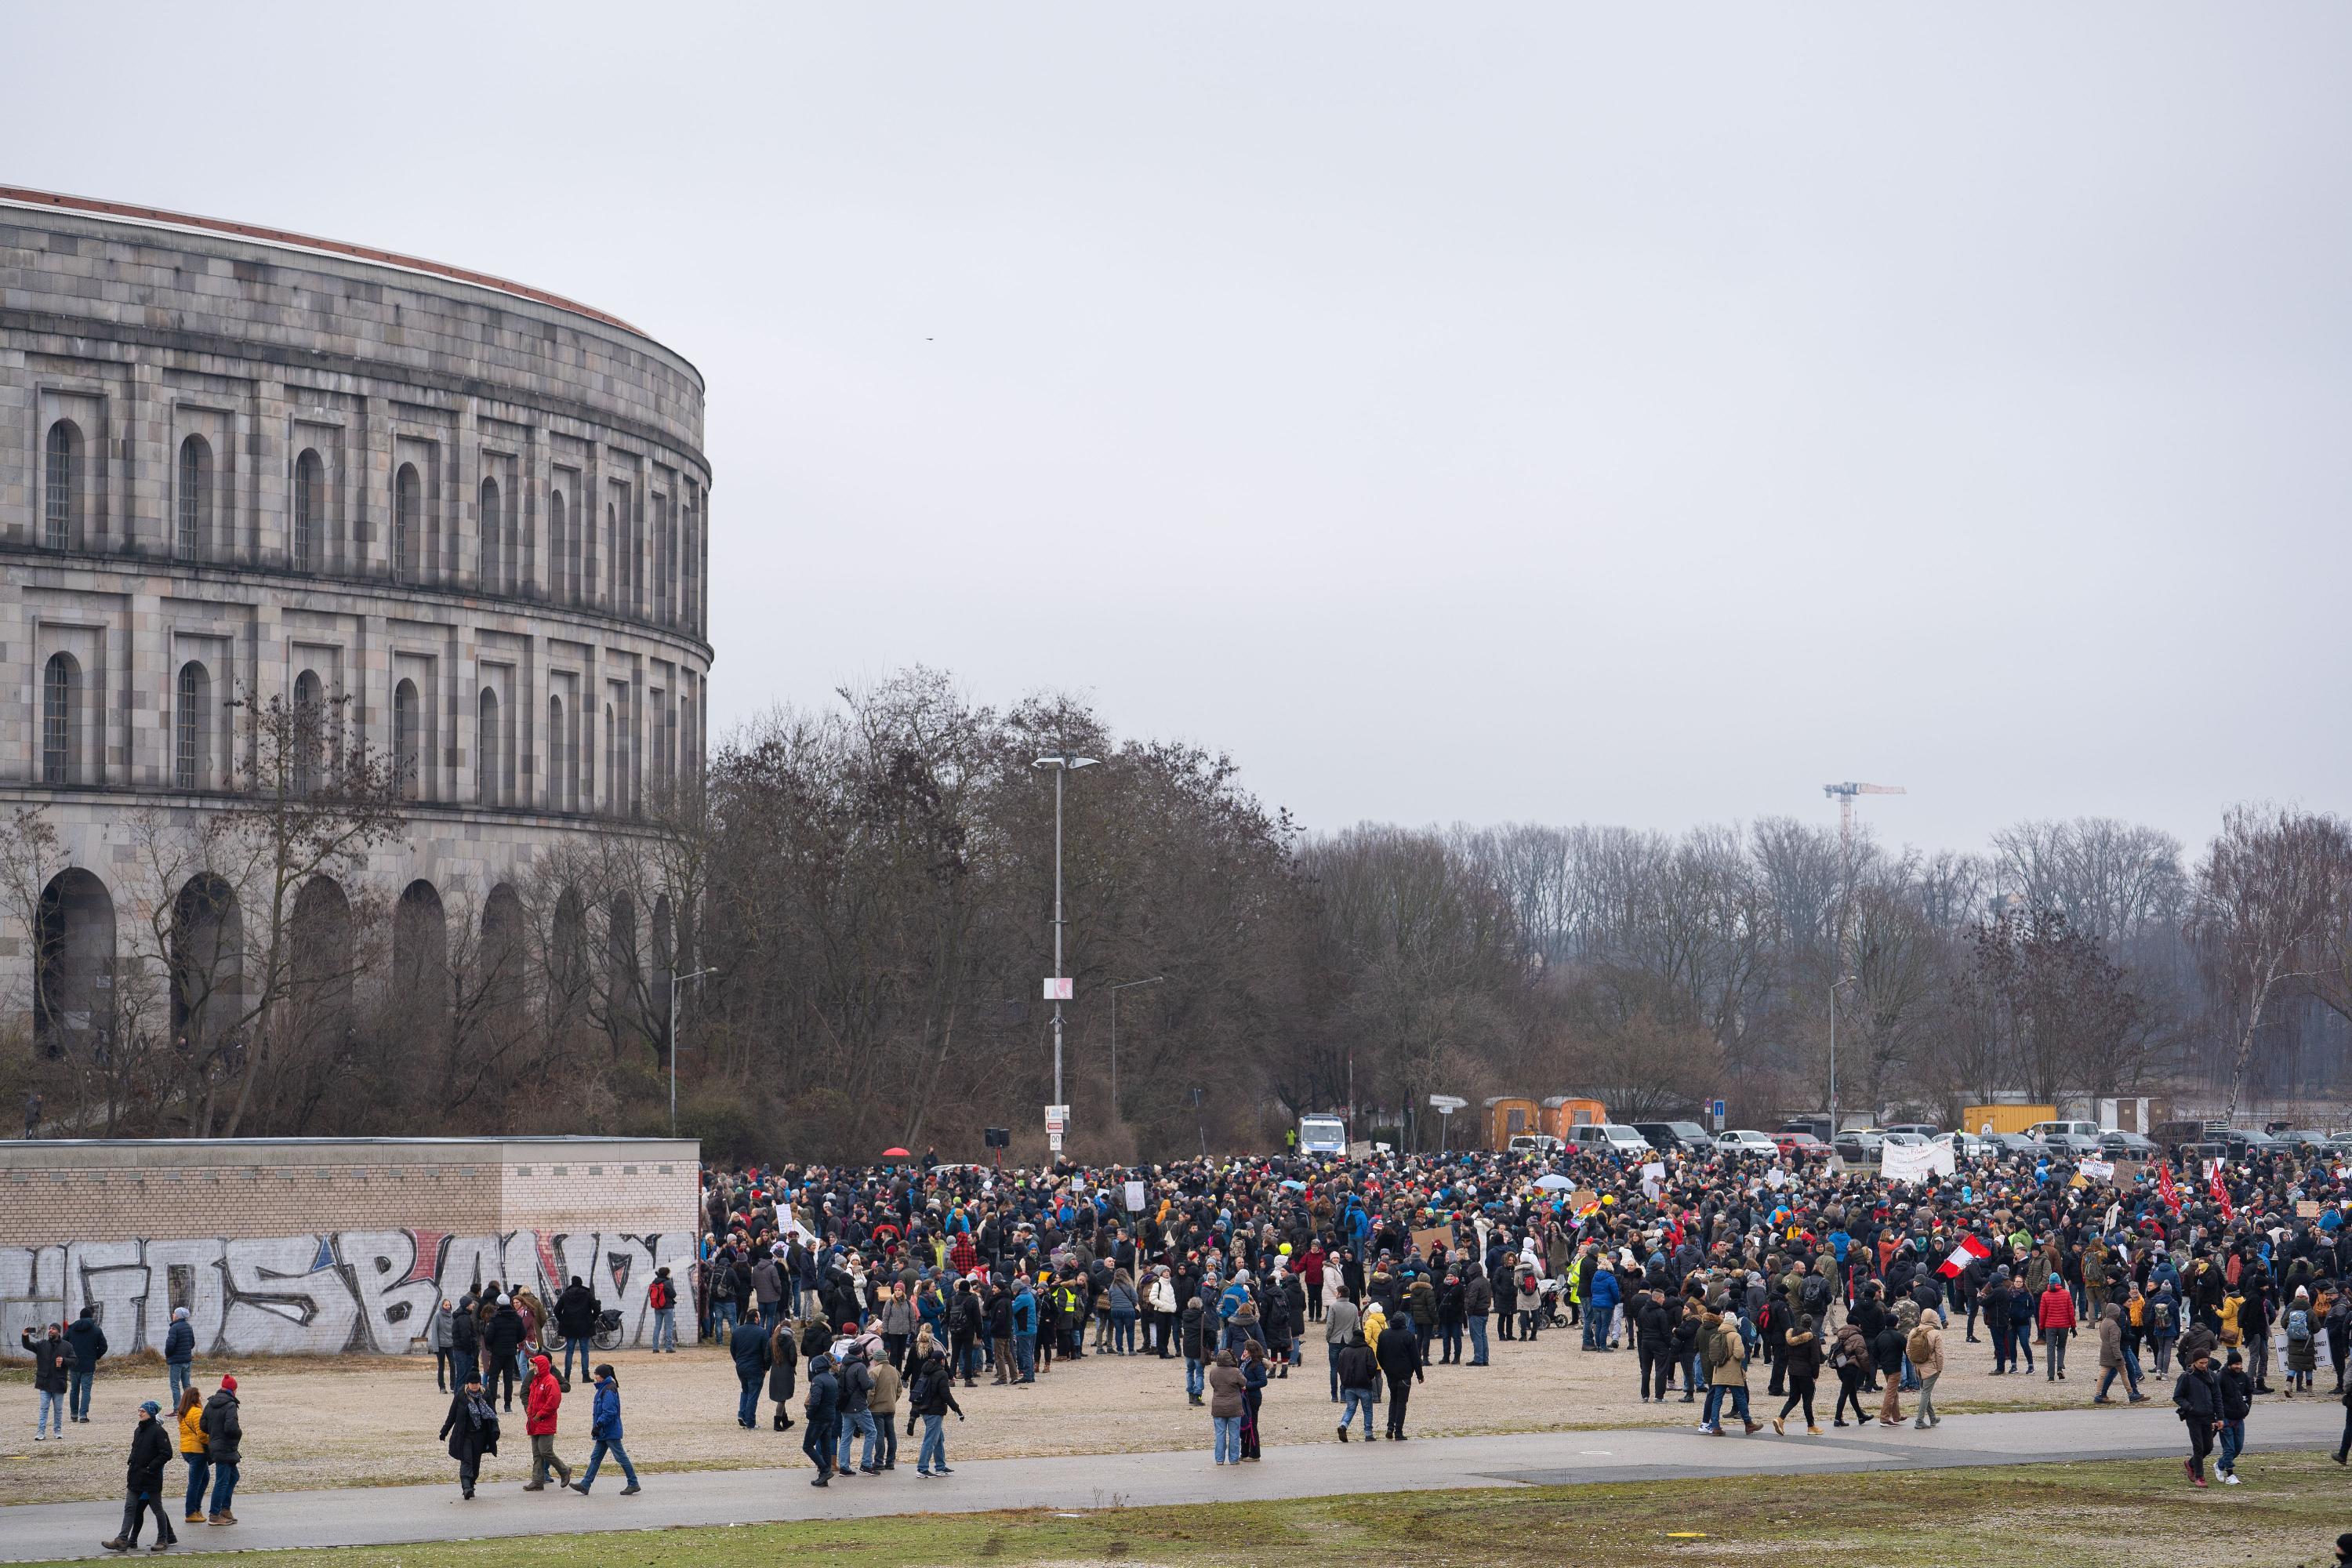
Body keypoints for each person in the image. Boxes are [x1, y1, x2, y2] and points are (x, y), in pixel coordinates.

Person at [99, 1399, 176, 1554]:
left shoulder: (159, 1431)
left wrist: (151, 1467)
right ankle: (122, 1539)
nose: (140, 1413)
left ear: (151, 1413)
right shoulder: (138, 1430)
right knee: (130, 1508)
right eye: (139, 1410)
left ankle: (163, 1539)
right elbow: (135, 1449)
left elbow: (167, 1453)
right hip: (135, 1476)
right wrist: (131, 1461)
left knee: (157, 1509)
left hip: (151, 1477)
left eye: (143, 1411)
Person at [572, 1364, 641, 1495]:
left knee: (621, 1457)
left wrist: (598, 1425)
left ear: (602, 1376)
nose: (595, 1377)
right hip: (604, 1432)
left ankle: (633, 1483)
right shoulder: (604, 1388)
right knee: (596, 1458)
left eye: (596, 1374)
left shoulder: (608, 1390)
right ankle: (585, 1484)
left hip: (610, 1431)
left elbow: (609, 1412)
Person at [438, 1377, 499, 1501]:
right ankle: (466, 1488)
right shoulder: (461, 1395)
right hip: (464, 1435)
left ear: (480, 1383)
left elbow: (492, 1414)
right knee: (467, 1460)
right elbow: (452, 1415)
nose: (475, 1385)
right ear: (468, 1384)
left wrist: (495, 1431)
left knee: (476, 1464)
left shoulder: (485, 1395)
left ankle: (471, 1485)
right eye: (472, 1383)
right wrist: (444, 1431)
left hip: (480, 1435)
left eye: (477, 1383)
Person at [907, 1346, 964, 1476]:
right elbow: (946, 1395)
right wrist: (957, 1410)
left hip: (925, 1409)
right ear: (942, 1361)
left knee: (939, 1438)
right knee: (931, 1440)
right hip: (935, 1411)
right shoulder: (942, 1374)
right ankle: (922, 1469)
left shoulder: (925, 1371)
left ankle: (940, 1466)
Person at [521, 1352, 574, 1491]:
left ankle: (564, 1471)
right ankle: (537, 1481)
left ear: (542, 1366)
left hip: (545, 1421)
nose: (534, 1368)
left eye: (536, 1365)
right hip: (534, 1421)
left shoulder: (551, 1381)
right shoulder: (535, 1379)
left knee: (545, 1451)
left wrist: (540, 1415)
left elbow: (553, 1402)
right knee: (537, 1453)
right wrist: (529, 1411)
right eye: (533, 1365)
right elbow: (528, 1396)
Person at [1703, 1308, 1760, 1436]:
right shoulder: (1735, 1335)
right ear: (1734, 1323)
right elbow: (1740, 1354)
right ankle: (1748, 1423)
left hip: (1719, 1371)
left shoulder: (1717, 1333)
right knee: (1740, 1397)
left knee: (1717, 1399)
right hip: (1733, 1371)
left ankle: (1716, 1426)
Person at [2174, 1347, 2221, 1488]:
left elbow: (2217, 1397)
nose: (2204, 1365)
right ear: (2194, 1362)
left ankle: (2191, 1463)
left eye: (2206, 1362)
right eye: (2201, 1363)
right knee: (2199, 1447)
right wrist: (2190, 1407)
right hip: (2193, 1417)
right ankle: (2200, 1477)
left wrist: (2220, 1417)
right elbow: (2177, 1396)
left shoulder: (2212, 1376)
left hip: (2208, 1417)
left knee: (2208, 1447)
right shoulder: (2186, 1377)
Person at [200, 1375, 241, 1525]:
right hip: (225, 1447)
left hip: (216, 1446)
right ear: (233, 1390)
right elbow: (231, 1428)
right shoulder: (230, 1405)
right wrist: (238, 1434)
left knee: (233, 1476)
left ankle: (225, 1509)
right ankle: (215, 1514)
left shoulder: (210, 1404)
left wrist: (214, 1431)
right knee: (222, 1481)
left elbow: (203, 1426)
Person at [1376, 1311, 1423, 1440]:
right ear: (1404, 1322)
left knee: (1393, 1400)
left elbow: (1379, 1354)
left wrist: (1386, 1368)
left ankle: (1390, 1427)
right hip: (1404, 1374)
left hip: (1391, 1373)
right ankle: (1398, 1432)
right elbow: (1415, 1357)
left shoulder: (1384, 1334)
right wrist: (1420, 1374)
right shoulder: (1408, 1335)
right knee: (1402, 1402)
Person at [1773, 1312, 1821, 1436]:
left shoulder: (1790, 1335)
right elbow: (1815, 1359)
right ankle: (1811, 1426)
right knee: (1807, 1400)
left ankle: (1780, 1419)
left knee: (1793, 1398)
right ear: (1810, 1324)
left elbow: (1786, 1353)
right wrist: (1815, 1375)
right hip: (1805, 1372)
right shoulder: (1812, 1337)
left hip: (1793, 1370)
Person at [834, 1340, 878, 1476]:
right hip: (858, 1406)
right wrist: (873, 1381)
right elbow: (866, 1385)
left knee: (846, 1438)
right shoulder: (859, 1366)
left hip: (846, 1406)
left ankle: (844, 1467)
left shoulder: (844, 1365)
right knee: (872, 1432)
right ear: (860, 1353)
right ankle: (866, 1464)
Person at [22, 1321, 69, 1441]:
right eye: (49, 1328)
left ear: (58, 1331)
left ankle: (58, 1431)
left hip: (59, 1382)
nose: (50, 1330)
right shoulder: (42, 1344)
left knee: (58, 1409)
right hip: (45, 1382)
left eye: (53, 1329)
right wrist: (25, 1336)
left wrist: (64, 1361)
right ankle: (41, 1432)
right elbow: (28, 1346)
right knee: (44, 1408)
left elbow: (75, 1361)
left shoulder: (67, 1346)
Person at [65, 1303, 109, 1424]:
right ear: (90, 1317)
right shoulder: (96, 1330)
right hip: (88, 1365)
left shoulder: (71, 1328)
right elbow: (104, 1347)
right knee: (86, 1390)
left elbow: (63, 1343)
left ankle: (74, 1415)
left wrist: (69, 1356)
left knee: (74, 1390)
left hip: (74, 1364)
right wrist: (95, 1356)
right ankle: (83, 1415)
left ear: (80, 1317)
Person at [554, 1275, 600, 1388]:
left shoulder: (566, 1295)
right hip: (584, 1327)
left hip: (569, 1327)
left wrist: (563, 1320)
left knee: (569, 1352)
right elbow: (597, 1309)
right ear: (581, 1283)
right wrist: (591, 1319)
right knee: (585, 1351)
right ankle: (585, 1376)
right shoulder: (587, 1294)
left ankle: (567, 1376)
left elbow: (556, 1310)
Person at [729, 1305, 770, 1428]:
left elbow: (733, 1350)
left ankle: (742, 1414)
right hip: (756, 1368)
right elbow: (767, 1353)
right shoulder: (762, 1333)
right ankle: (750, 1421)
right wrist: (766, 1368)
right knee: (753, 1394)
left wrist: (739, 1362)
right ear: (756, 1319)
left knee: (745, 1390)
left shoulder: (737, 1331)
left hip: (741, 1367)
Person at [803, 1353, 840, 1486]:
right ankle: (824, 1475)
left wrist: (810, 1414)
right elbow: (836, 1400)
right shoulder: (832, 1379)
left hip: (819, 1418)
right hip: (830, 1416)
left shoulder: (818, 1380)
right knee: (825, 1446)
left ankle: (825, 1469)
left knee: (807, 1446)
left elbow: (815, 1400)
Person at [2216, 1347, 2252, 1486]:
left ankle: (2219, 1465)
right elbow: (2216, 1397)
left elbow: (2249, 1394)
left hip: (2239, 1418)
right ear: (2230, 1364)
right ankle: (2230, 1475)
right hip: (2225, 1418)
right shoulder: (2221, 1377)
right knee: (2229, 1448)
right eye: (2236, 1364)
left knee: (2238, 1448)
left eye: (2240, 1364)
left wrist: (2247, 1409)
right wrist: (2217, 1417)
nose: (2238, 1367)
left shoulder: (2244, 1377)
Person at [1335, 1330, 1379, 1441]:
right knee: (1367, 1410)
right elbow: (1373, 1367)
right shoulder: (1367, 1350)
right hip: (1364, 1385)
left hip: (1349, 1386)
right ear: (1363, 1338)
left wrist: (1345, 1380)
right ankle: (1368, 1434)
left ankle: (1343, 1425)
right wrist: (1369, 1377)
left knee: (1350, 1409)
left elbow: (1339, 1368)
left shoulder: (1344, 1351)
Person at [174, 1385, 208, 1525]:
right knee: (195, 1482)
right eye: (200, 1395)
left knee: (204, 1478)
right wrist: (211, 1443)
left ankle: (196, 1509)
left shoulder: (183, 1412)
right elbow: (202, 1434)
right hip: (197, 1451)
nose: (201, 1398)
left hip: (186, 1450)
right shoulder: (196, 1412)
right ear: (195, 1397)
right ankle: (191, 1512)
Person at [1207, 1348, 1246, 1465]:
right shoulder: (1235, 1371)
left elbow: (1213, 1384)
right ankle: (1234, 1459)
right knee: (1234, 1434)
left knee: (1220, 1434)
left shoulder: (1213, 1372)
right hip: (1234, 1406)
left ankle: (1219, 1459)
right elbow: (1244, 1382)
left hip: (1218, 1405)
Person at [868, 1345, 902, 1472]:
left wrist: (868, 1405)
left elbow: (870, 1392)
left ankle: (878, 1462)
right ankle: (890, 1461)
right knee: (891, 1435)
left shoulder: (874, 1372)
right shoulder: (895, 1371)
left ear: (876, 1359)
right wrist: (893, 1400)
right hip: (890, 1407)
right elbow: (899, 1390)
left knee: (879, 1436)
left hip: (876, 1409)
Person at [1910, 1308, 1945, 1429]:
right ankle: (1919, 1420)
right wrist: (1939, 1368)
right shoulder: (1935, 1333)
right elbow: (1939, 1353)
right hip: (1932, 1369)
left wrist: (1915, 1363)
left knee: (1926, 1393)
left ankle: (1932, 1418)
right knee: (1925, 1393)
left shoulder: (1914, 1331)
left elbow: (1908, 1350)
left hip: (1918, 1368)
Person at [2038, 1276, 2074, 1381]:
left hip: (2050, 1326)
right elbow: (2071, 1312)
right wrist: (2073, 1326)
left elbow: (2042, 1313)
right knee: (2061, 1347)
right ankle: (2059, 1368)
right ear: (2059, 1282)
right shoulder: (2066, 1294)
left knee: (2050, 1349)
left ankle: (2050, 1376)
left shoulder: (2045, 1295)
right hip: (2064, 1326)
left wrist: (2041, 1327)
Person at [767, 1314, 799, 1432]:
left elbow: (767, 1357)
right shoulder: (790, 1341)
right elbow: (793, 1358)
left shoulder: (772, 1340)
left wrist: (766, 1369)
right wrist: (793, 1366)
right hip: (786, 1372)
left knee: (781, 1396)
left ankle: (785, 1421)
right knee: (782, 1398)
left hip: (775, 1372)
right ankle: (777, 1422)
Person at [164, 1307, 197, 1406]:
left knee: (175, 1385)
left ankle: (177, 1408)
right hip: (187, 1360)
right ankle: (191, 1406)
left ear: (178, 1316)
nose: (172, 1315)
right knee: (187, 1384)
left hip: (176, 1362)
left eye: (174, 1313)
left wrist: (168, 1355)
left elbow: (170, 1345)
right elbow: (192, 1344)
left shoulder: (174, 1328)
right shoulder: (188, 1326)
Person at [648, 1266, 681, 1353]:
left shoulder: (654, 1282)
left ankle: (655, 1348)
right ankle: (669, 1348)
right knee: (669, 1327)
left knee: (657, 1327)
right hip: (668, 1307)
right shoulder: (667, 1282)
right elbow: (674, 1294)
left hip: (657, 1308)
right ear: (666, 1273)